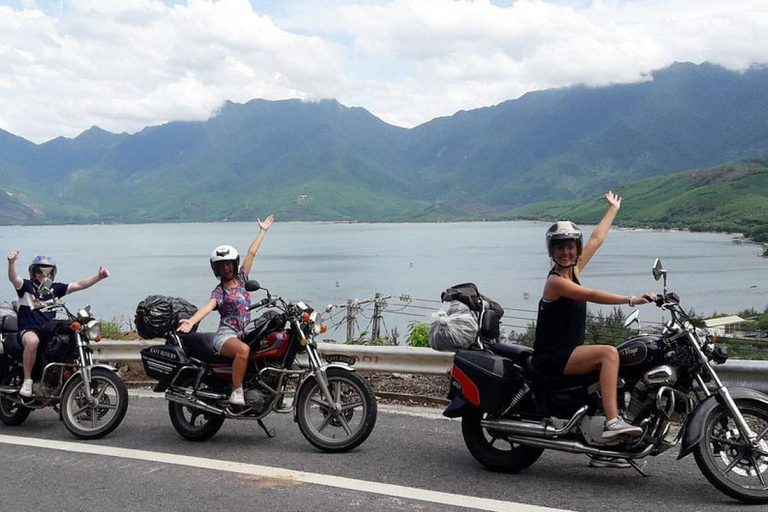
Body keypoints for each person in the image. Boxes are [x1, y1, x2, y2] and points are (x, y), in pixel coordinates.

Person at [532, 191, 656, 441]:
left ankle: (605, 447)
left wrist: (613, 209)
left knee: (619, 361)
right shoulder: (556, 282)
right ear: (551, 251)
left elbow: (596, 239)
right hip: (552, 356)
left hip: (569, 351)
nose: (565, 252)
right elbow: (593, 295)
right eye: (559, 247)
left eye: (570, 247)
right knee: (608, 353)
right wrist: (631, 299)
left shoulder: (573, 270)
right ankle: (612, 422)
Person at [178, 215, 275, 406]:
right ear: (216, 269)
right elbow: (208, 307)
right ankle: (236, 392)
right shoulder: (219, 291)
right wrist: (191, 321)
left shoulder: (242, 279)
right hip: (226, 336)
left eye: (228, 264)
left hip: (244, 333)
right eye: (221, 266)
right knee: (243, 350)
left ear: (234, 264)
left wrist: (263, 230)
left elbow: (252, 253)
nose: (226, 268)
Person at [7, 252, 110, 398]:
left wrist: (99, 277)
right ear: (33, 272)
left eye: (48, 272)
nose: (44, 275)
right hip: (29, 330)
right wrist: (11, 263)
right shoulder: (26, 287)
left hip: (48, 331)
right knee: (32, 341)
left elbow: (79, 285)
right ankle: (28, 380)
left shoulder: (55, 289)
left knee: (68, 340)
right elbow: (13, 278)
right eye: (40, 271)